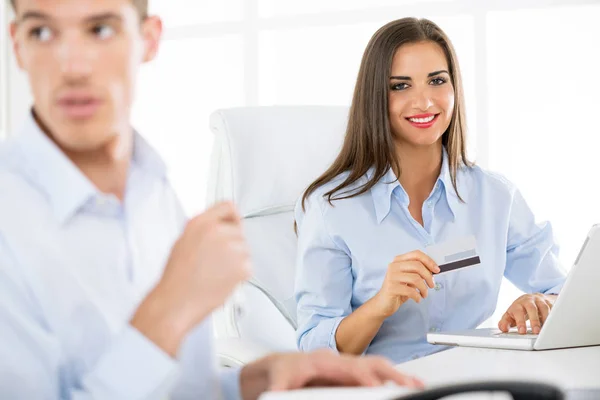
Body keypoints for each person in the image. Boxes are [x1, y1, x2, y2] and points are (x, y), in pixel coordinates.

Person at [0, 1, 424, 398]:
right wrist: (171, 308)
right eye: (42, 33)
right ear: (17, 45)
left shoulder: (151, 190)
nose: (73, 66)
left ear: (148, 39)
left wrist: (258, 379)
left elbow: (178, 390)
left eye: (101, 28)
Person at [294, 17, 566, 364]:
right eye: (400, 86)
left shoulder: (494, 198)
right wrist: (380, 305)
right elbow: (312, 347)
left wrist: (543, 304)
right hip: (383, 387)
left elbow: (568, 292)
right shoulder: (331, 209)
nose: (423, 102)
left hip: (475, 380)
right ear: (376, 96)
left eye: (437, 81)